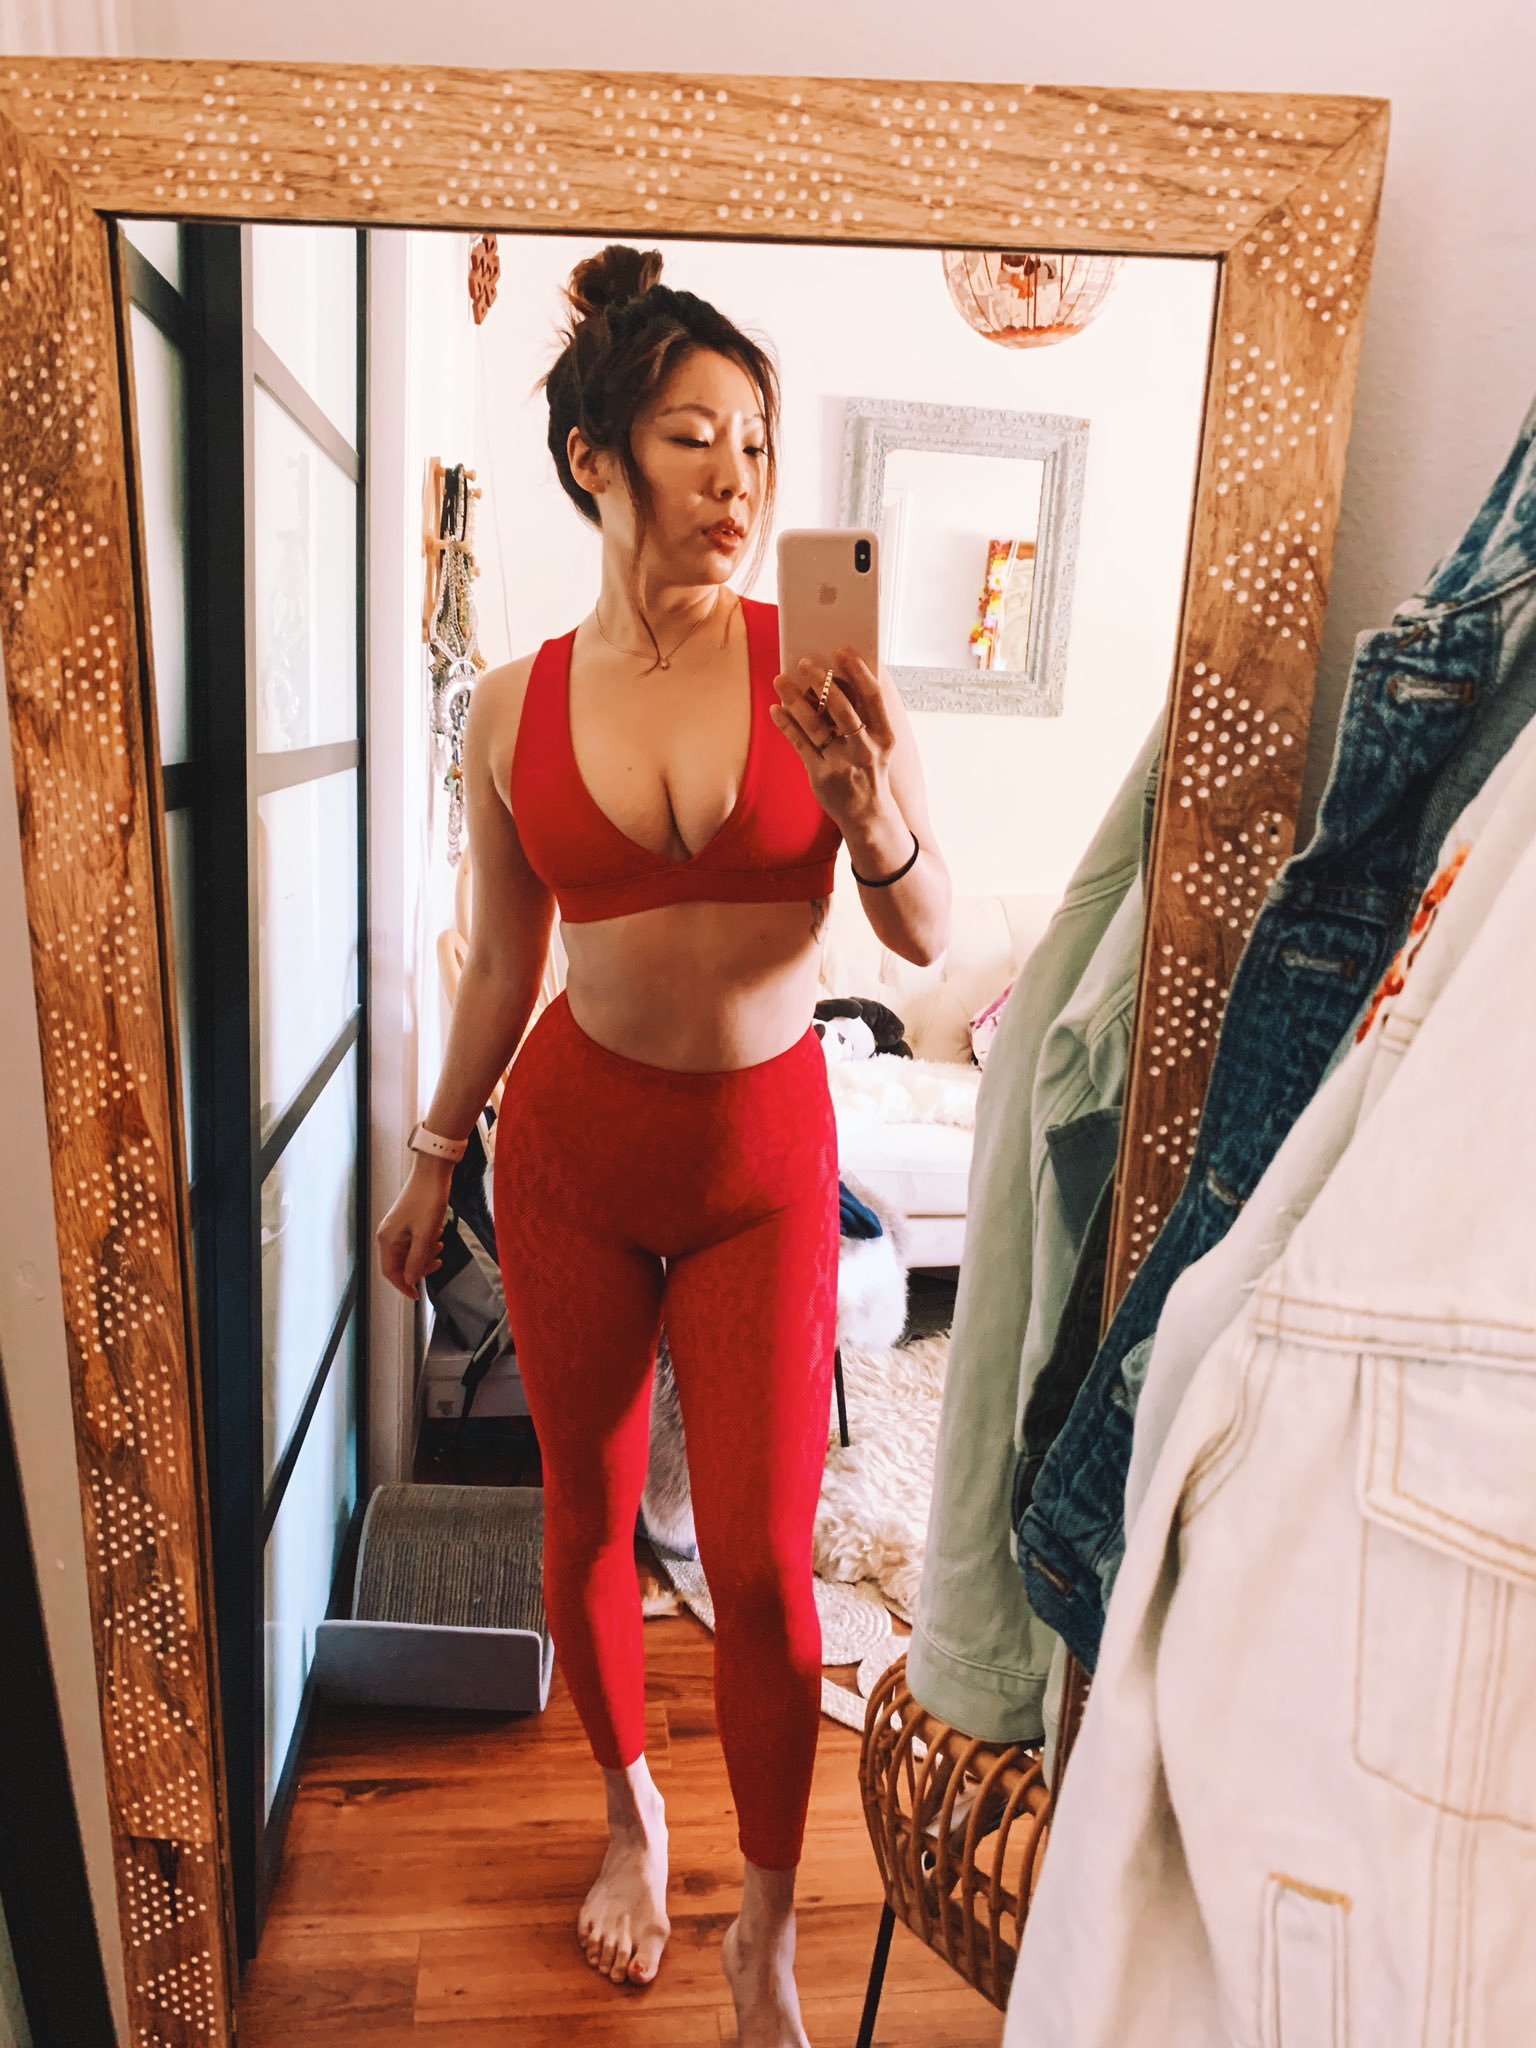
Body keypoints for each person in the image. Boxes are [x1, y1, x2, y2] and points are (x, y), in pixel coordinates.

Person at [376, 243, 950, 2047]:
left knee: (769, 1574)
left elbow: (927, 931)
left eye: (758, 445)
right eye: (695, 438)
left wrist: (870, 815)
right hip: (568, 1152)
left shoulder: (822, 671)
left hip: (761, 1163)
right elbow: (503, 964)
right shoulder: (510, 705)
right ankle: (629, 1815)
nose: (737, 479)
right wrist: (434, 1153)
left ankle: (761, 1935)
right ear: (594, 459)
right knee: (586, 1517)